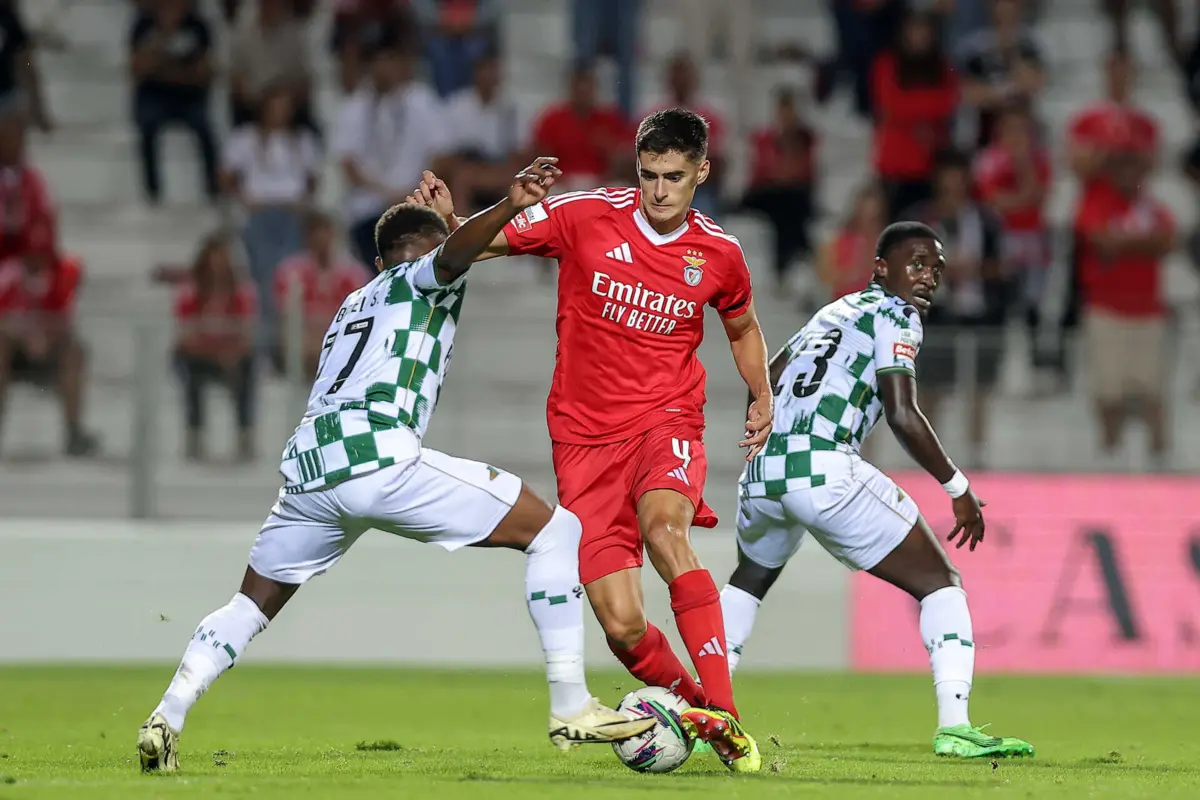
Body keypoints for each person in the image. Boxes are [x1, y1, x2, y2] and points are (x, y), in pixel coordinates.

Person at [135, 159, 656, 773]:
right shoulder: (420, 275)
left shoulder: (355, 301)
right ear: (407, 257)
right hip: (379, 456)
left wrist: (450, 220)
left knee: (251, 603)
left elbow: (450, 249)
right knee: (557, 530)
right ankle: (571, 705)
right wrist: (508, 207)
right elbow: (451, 258)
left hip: (310, 466)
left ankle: (166, 716)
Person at [408, 109, 773, 773]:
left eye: (675, 177)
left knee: (667, 533)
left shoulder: (719, 252)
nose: (660, 191)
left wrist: (762, 394)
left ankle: (727, 714)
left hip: (667, 421)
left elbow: (743, 328)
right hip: (583, 441)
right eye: (649, 175)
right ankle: (698, 711)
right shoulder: (581, 215)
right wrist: (455, 221)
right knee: (621, 625)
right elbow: (481, 245)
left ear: (702, 172)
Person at [715, 222, 1036, 759]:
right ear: (881, 268)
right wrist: (956, 487)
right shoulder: (896, 314)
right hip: (822, 467)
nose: (928, 277)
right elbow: (903, 413)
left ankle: (708, 714)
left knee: (749, 580)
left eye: (935, 267)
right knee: (941, 581)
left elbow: (763, 379)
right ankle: (955, 726)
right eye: (915, 263)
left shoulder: (834, 310)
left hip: (765, 470)